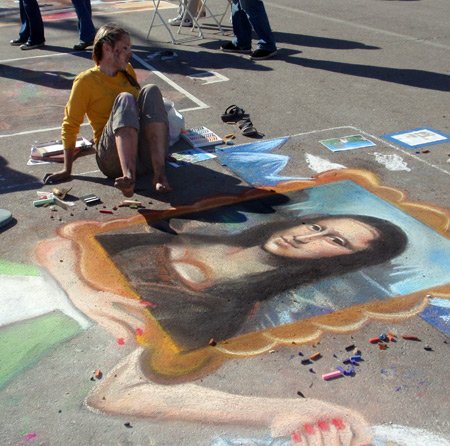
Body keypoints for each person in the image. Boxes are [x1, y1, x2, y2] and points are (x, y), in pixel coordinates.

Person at [97, 213, 408, 349]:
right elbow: (76, 244)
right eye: (316, 226)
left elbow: (146, 343)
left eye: (336, 241)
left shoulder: (226, 308)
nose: (301, 237)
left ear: (342, 260)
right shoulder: (205, 233)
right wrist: (79, 287)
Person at [44, 23, 172, 195]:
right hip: (112, 161)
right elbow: (70, 124)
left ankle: (160, 174)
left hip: (143, 156)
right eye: (125, 48)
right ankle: (128, 178)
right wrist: (67, 169)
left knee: (151, 90)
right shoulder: (86, 81)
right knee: (125, 99)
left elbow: (147, 112)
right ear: (107, 48)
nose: (130, 53)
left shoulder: (127, 71)